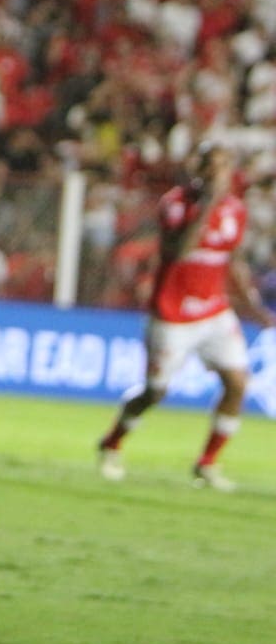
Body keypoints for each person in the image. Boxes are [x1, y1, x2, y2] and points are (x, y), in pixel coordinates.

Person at [97, 143, 276, 491]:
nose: (216, 173)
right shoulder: (176, 203)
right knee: (155, 393)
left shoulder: (235, 210)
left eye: (223, 166)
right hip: (172, 313)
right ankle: (112, 442)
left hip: (214, 311)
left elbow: (231, 261)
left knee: (238, 384)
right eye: (211, 165)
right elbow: (178, 252)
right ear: (199, 169)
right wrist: (206, 207)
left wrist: (253, 306)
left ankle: (207, 463)